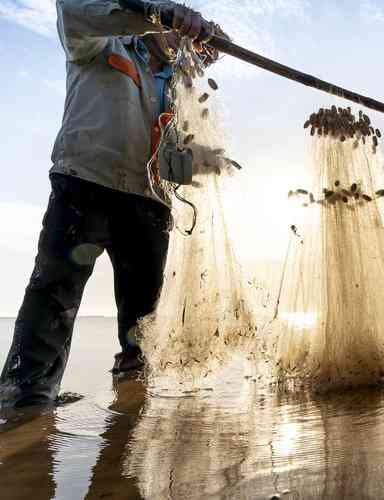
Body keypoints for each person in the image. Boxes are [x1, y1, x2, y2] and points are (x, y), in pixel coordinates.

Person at [0, 0, 223, 408]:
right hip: (85, 185)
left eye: (184, 34)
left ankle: (131, 404)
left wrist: (211, 36)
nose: (178, 38)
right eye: (174, 26)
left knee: (143, 319)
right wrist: (159, 14)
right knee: (54, 296)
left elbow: (182, 154)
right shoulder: (103, 42)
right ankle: (24, 401)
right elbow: (73, 11)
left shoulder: (178, 83)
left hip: (148, 202)